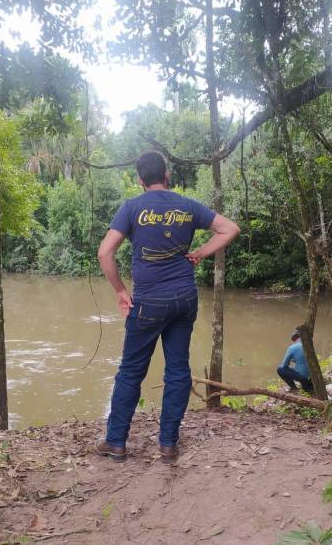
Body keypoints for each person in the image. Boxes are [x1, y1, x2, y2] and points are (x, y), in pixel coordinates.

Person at [95, 151, 240, 463]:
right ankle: (168, 443)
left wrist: (121, 291)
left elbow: (105, 252)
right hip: (184, 299)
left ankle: (116, 441)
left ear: (139, 179)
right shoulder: (187, 206)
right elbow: (230, 229)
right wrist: (200, 252)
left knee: (131, 371)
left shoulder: (132, 208)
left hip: (147, 302)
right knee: (177, 368)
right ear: (167, 174)